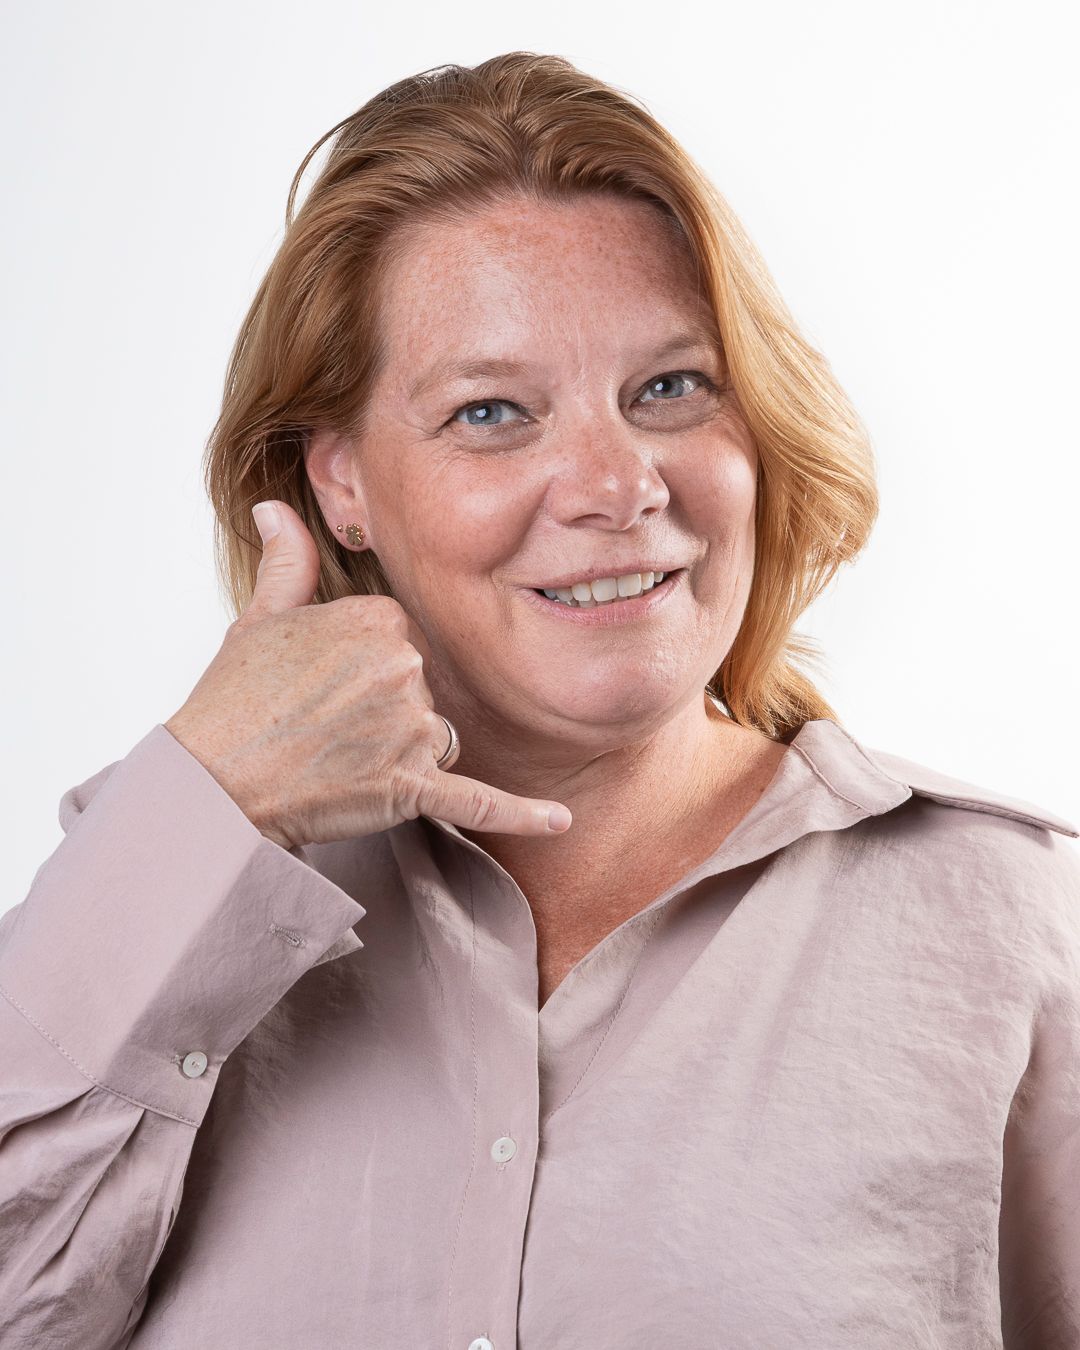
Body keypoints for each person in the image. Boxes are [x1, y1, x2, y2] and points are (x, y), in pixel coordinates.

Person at [1, 51, 1078, 1350]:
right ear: (339, 482)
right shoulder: (159, 895)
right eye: (494, 411)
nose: (615, 483)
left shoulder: (1017, 930)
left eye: (670, 386)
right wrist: (211, 799)